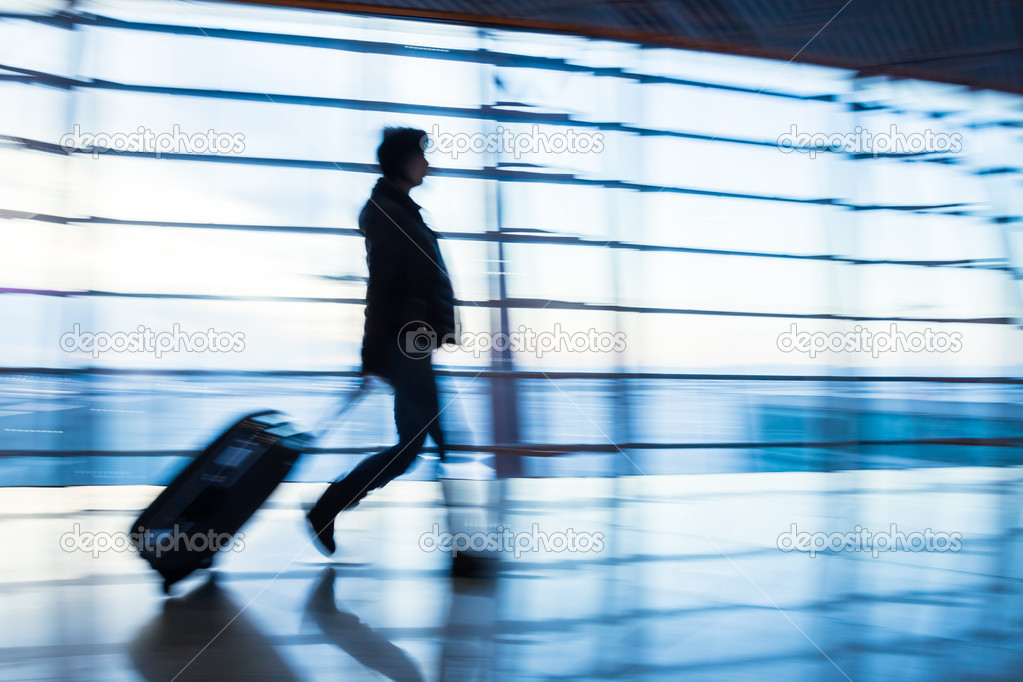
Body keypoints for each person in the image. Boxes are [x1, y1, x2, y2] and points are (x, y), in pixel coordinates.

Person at [306, 127, 456, 556]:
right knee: (430, 443)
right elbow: (384, 287)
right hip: (405, 344)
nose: (427, 164)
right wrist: (373, 353)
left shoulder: (398, 210)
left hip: (411, 343)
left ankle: (329, 506)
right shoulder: (389, 213)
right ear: (403, 161)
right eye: (421, 156)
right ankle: (329, 506)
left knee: (418, 446)